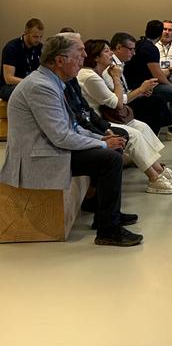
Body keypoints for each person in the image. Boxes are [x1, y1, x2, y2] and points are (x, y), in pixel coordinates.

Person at [0, 34, 142, 246]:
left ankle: (103, 213)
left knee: (114, 147)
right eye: (79, 54)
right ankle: (108, 230)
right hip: (37, 158)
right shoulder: (41, 86)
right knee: (110, 158)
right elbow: (62, 136)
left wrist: (101, 137)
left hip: (49, 148)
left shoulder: (52, 82)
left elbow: (71, 127)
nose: (83, 58)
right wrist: (103, 143)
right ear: (59, 60)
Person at [78, 39, 172, 194]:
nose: (111, 53)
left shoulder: (100, 73)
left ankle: (158, 168)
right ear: (96, 57)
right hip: (98, 121)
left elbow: (119, 98)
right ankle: (154, 178)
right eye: (106, 51)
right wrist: (118, 79)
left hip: (105, 116)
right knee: (134, 134)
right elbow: (118, 103)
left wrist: (137, 89)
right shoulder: (90, 76)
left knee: (142, 126)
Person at [108, 33, 172, 145]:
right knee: (162, 101)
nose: (133, 53)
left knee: (158, 101)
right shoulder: (111, 68)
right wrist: (140, 90)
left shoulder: (121, 64)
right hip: (118, 109)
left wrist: (142, 91)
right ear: (119, 47)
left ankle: (170, 137)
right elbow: (119, 100)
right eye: (131, 49)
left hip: (131, 95)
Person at [1, 18, 45, 101]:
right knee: (33, 91)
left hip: (31, 83)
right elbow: (9, 79)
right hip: (9, 87)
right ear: (25, 33)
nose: (38, 40)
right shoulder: (12, 48)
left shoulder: (39, 47)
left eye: (41, 37)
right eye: (35, 37)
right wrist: (31, 82)